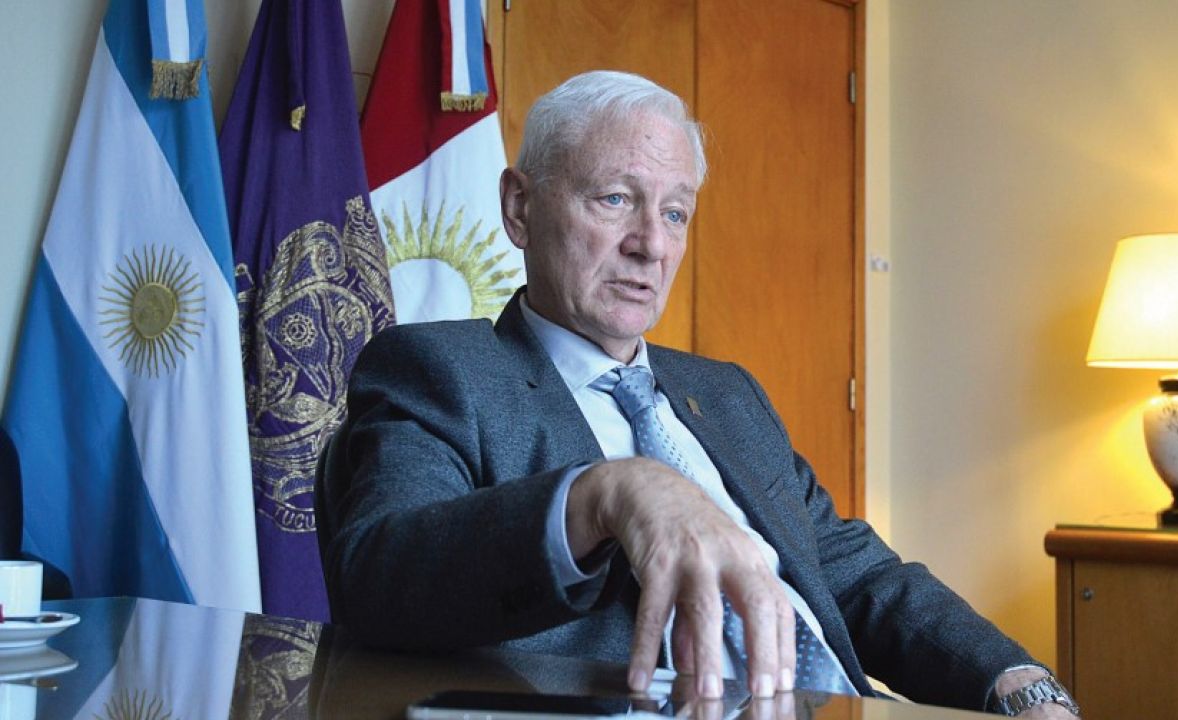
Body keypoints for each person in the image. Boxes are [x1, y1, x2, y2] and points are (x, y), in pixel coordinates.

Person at [320, 71, 1079, 718]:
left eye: (675, 212)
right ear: (520, 208)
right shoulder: (440, 371)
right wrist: (603, 493)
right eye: (615, 199)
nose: (651, 243)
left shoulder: (726, 393)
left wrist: (1015, 682)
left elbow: (856, 575)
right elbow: (379, 576)